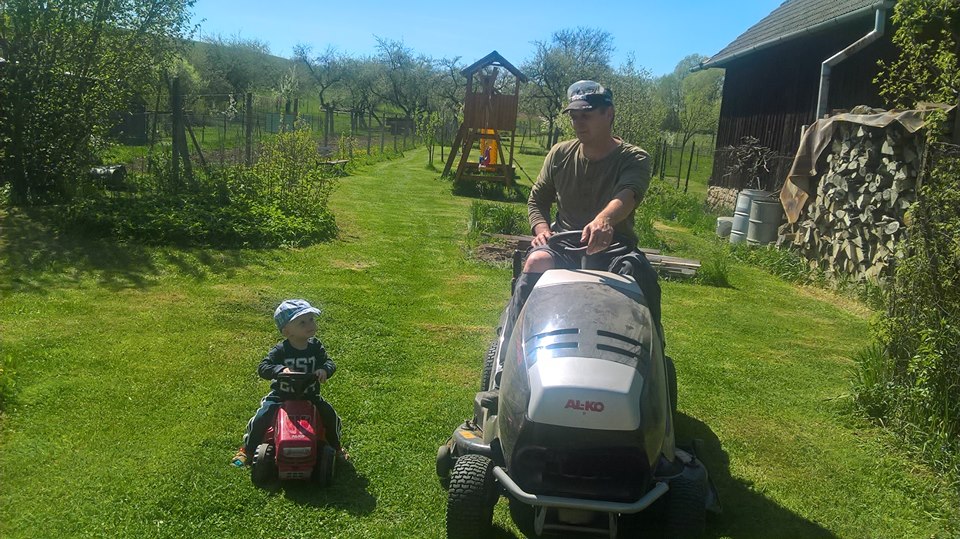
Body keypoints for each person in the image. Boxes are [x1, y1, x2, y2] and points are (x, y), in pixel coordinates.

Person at [504, 79, 662, 346]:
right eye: (574, 116)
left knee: (637, 274)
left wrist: (604, 220)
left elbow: (629, 194)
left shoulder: (634, 157)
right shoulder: (560, 154)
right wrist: (542, 230)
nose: (578, 123)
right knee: (536, 261)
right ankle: (513, 349)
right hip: (563, 244)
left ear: (608, 114)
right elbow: (537, 200)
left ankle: (650, 352)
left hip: (614, 247)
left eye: (586, 115)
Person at [232, 299, 346, 466]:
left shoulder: (315, 347)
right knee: (262, 416)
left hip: (310, 396)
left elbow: (328, 363)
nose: (310, 324)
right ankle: (247, 450)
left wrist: (324, 369)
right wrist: (280, 370)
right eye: (302, 322)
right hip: (281, 396)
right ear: (287, 331)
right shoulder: (281, 350)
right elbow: (263, 367)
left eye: (311, 319)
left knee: (329, 415)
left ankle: (336, 448)